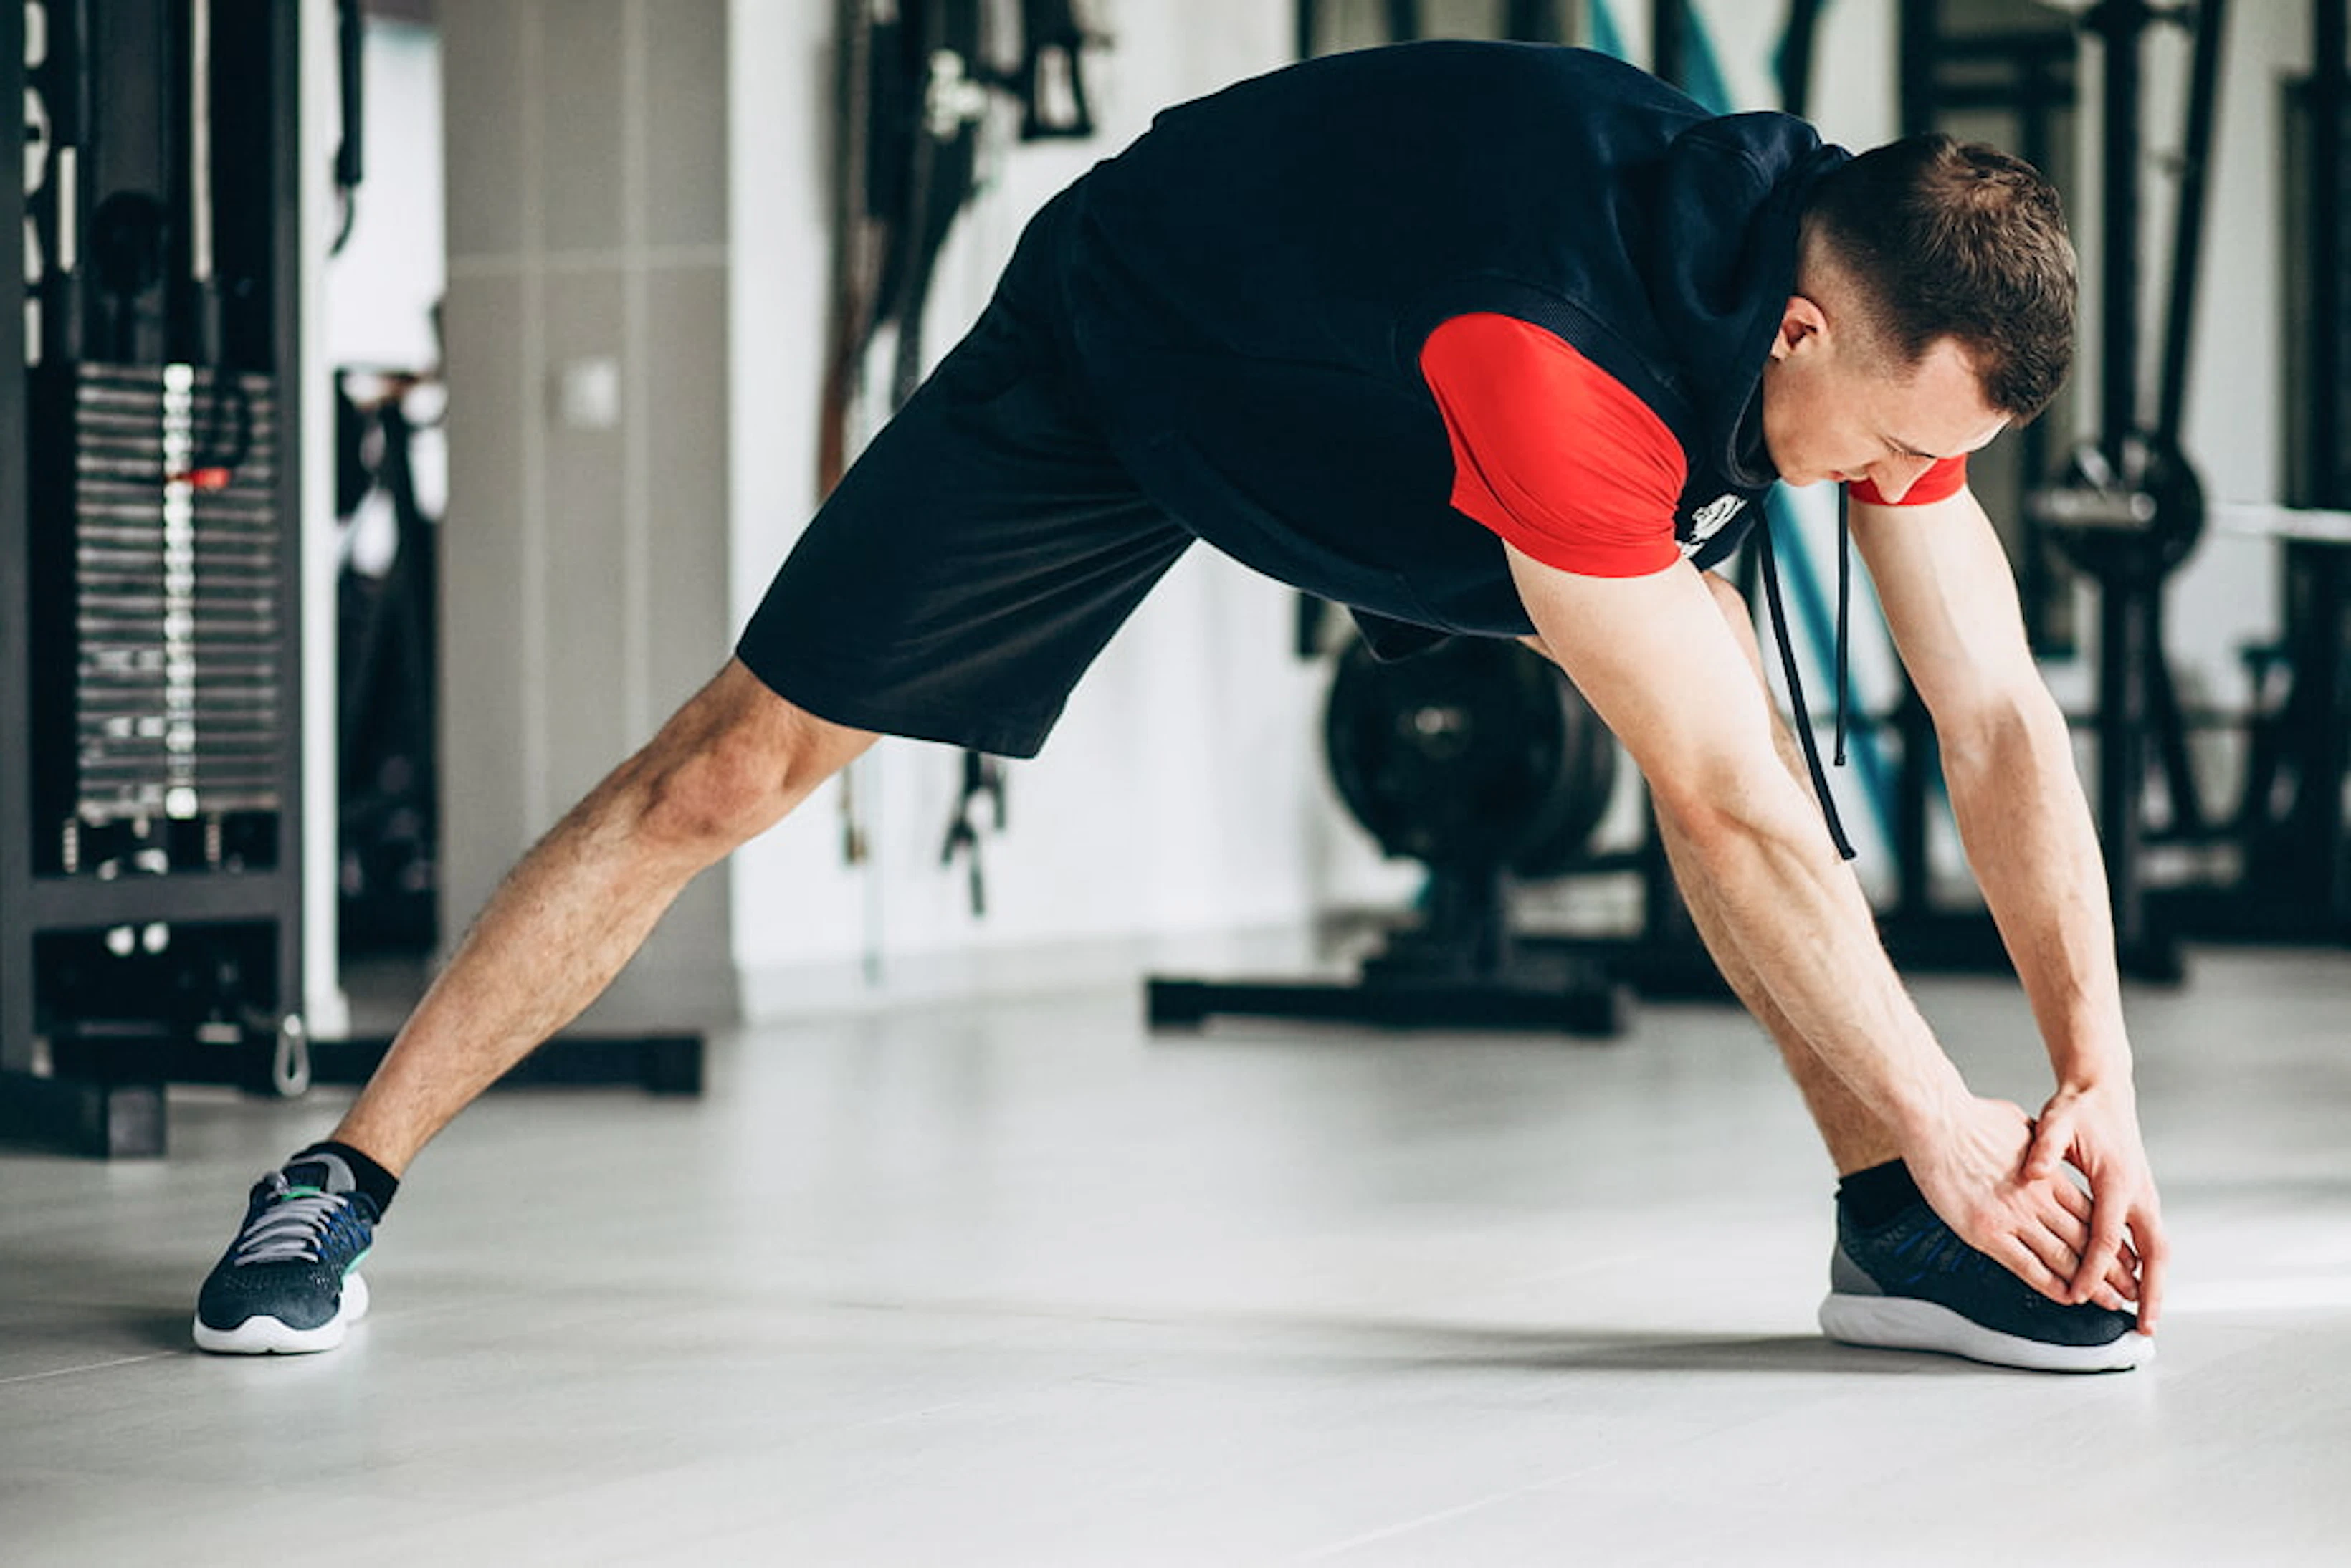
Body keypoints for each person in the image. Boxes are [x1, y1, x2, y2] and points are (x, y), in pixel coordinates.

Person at [194, 40, 2167, 1371]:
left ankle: (1885, 1229)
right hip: (1143, 359)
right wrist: (1958, 1118)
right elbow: (1733, 805)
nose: (1878, 484)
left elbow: (1990, 713)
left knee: (1720, 704)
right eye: (1880, 450)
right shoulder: (1564, 351)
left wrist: (2095, 1081)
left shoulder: (1868, 301)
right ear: (1807, 327)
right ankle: (336, 1178)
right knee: (732, 765)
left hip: (1403, 409)